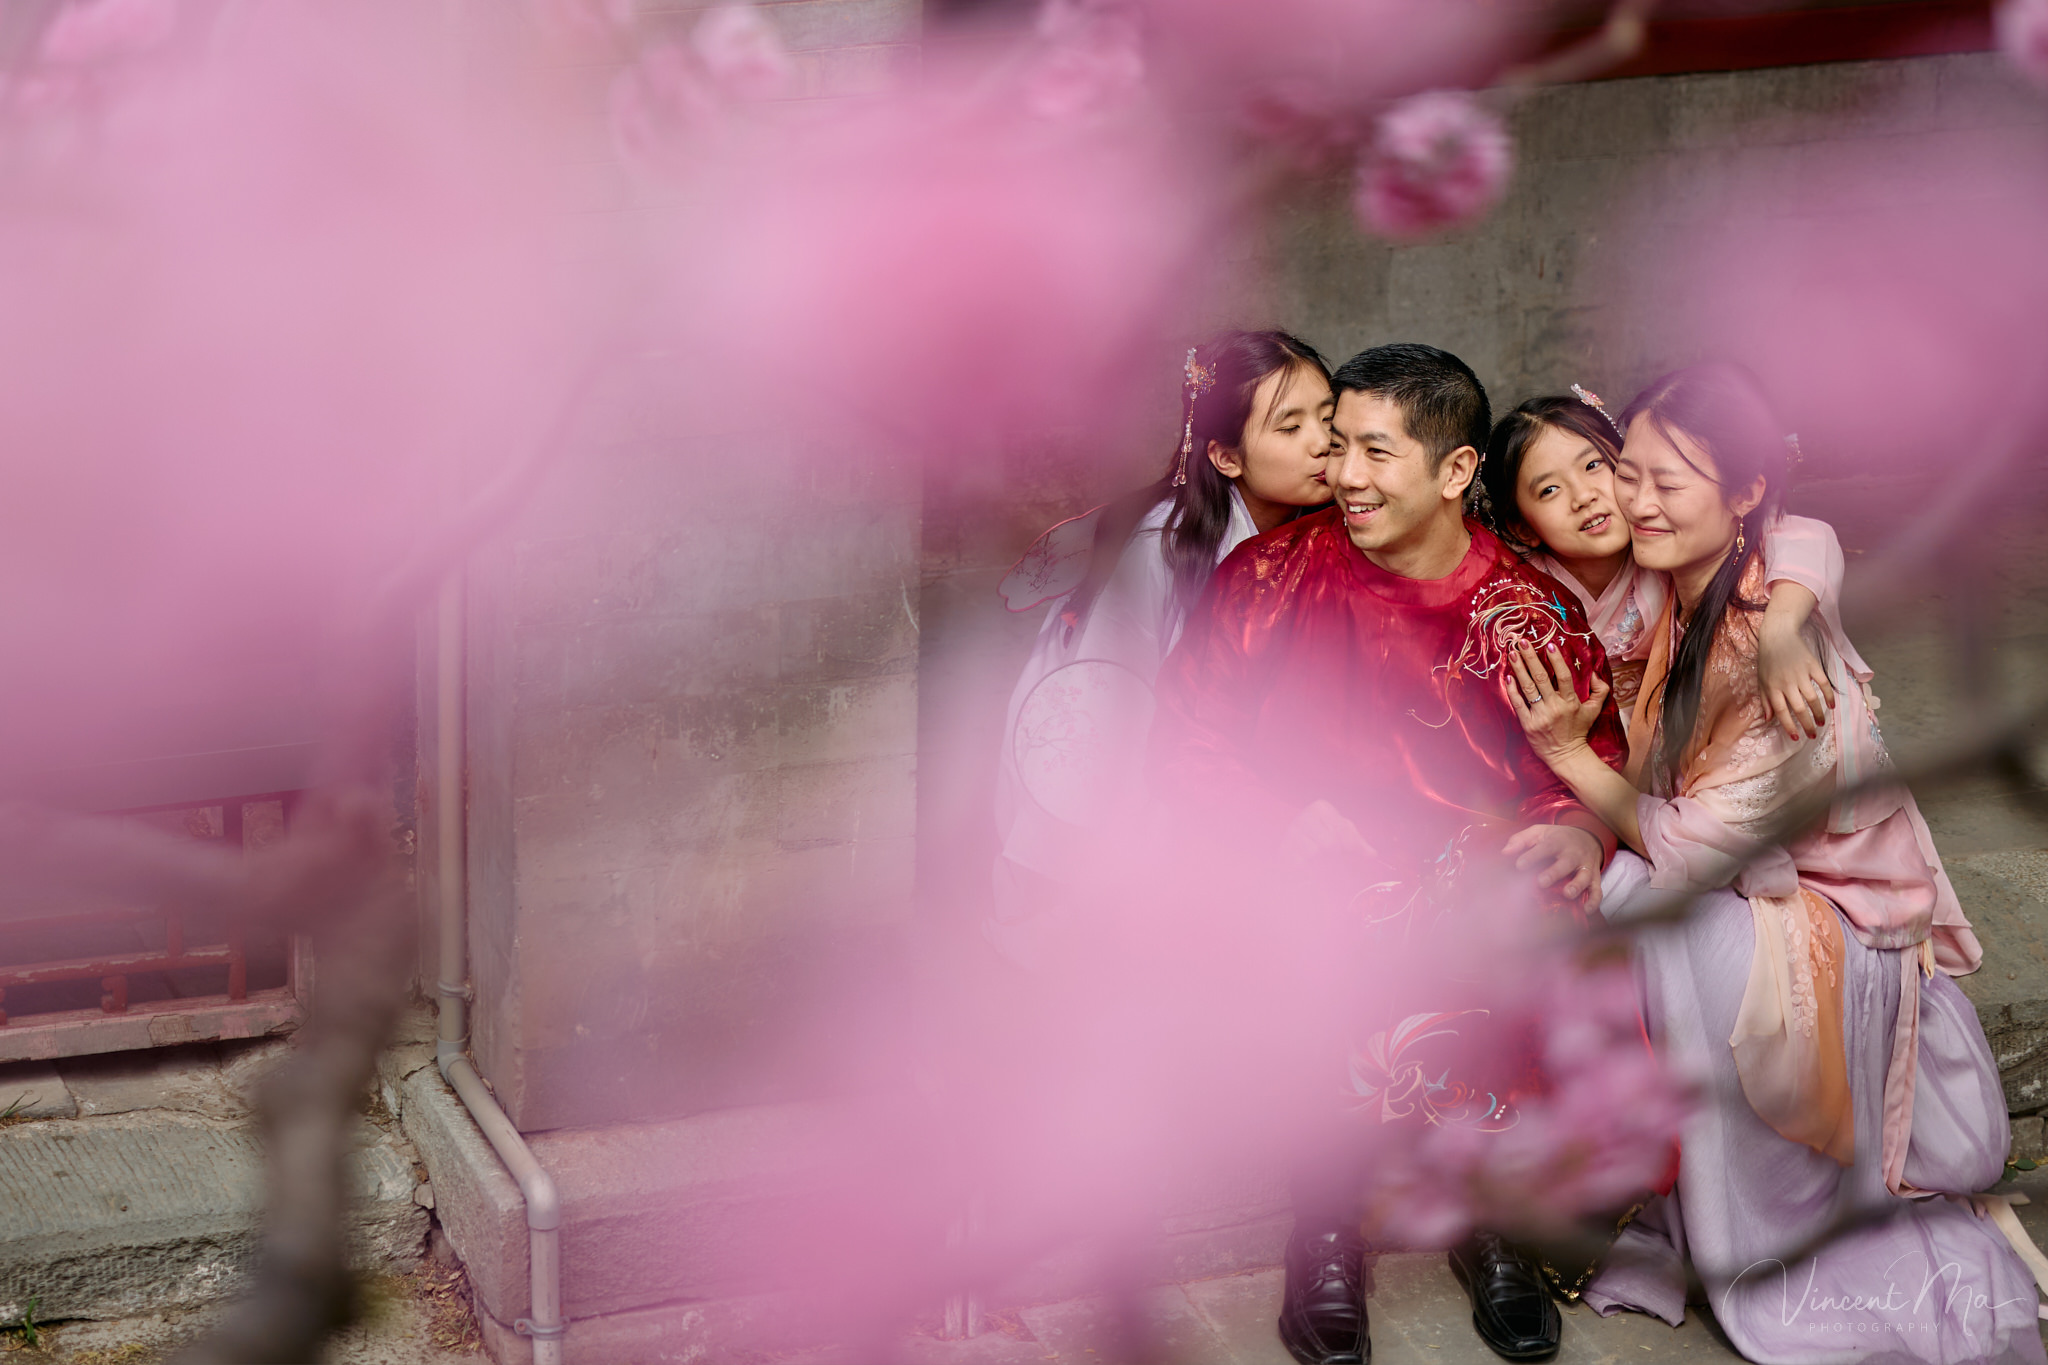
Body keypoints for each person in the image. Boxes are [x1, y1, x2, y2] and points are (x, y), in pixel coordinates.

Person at [1505, 363, 2043, 1363]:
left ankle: (1722, 1203)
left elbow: (1691, 853)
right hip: (1757, 869)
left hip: (1827, 906)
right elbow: (1805, 537)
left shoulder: (1763, 652)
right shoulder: (1680, 574)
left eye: (1665, 481)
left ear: (1744, 490)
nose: (1625, 501)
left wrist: (1568, 758)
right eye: (1628, 472)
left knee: (1630, 901)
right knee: (1586, 886)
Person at [1150, 343, 1630, 1365]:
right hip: (1309, 861)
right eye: (1334, 447)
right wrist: (1278, 821)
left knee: (1529, 909)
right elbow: (1187, 740)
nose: (1345, 475)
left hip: (1468, 868)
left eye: (1373, 451)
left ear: (1454, 471)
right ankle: (1323, 1223)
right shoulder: (1270, 577)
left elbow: (1583, 755)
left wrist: (1574, 830)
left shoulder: (1518, 607)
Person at [990, 329, 1336, 963]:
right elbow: (1091, 720)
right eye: (1290, 428)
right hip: (1134, 794)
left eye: (1328, 415)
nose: (1323, 442)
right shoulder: (1163, 553)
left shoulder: (1318, 531)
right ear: (1227, 458)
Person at [1480, 390, 1845, 737]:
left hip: (1667, 738)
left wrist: (1780, 629)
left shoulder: (1662, 539)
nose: (1583, 496)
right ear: (1522, 527)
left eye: (1593, 465)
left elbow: (1804, 537)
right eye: (1549, 490)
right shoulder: (1518, 591)